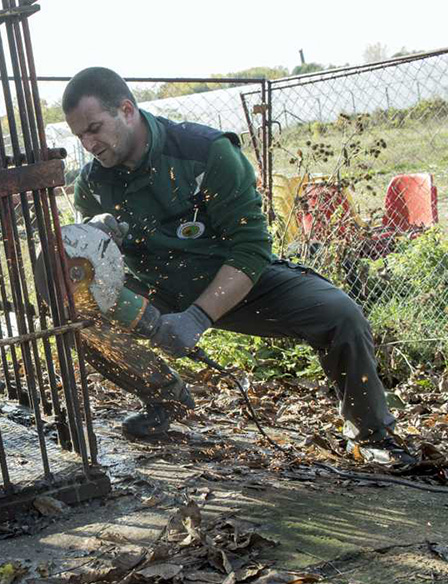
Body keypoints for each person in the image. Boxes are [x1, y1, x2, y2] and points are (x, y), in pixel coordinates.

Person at [60, 66, 413, 468]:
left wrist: (197, 317)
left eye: (94, 128)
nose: (88, 144)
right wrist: (98, 242)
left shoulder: (205, 152)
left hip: (234, 283)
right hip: (157, 291)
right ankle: (164, 400)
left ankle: (372, 434)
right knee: (78, 315)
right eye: (79, 136)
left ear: (126, 110)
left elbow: (251, 249)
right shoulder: (91, 183)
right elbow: (97, 267)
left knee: (340, 315)